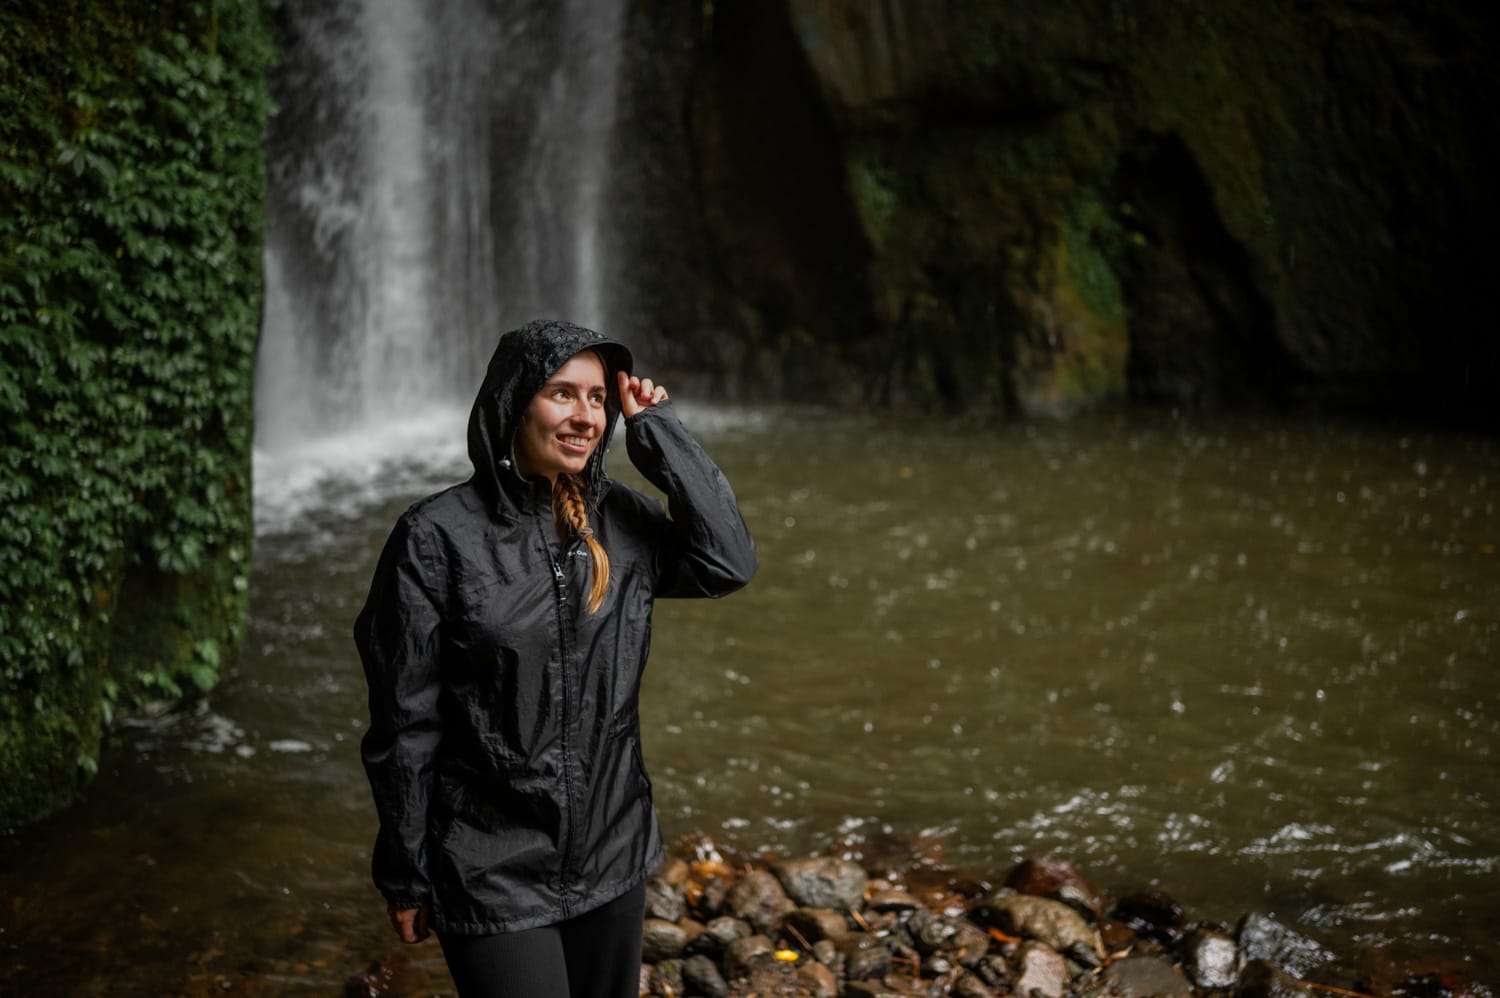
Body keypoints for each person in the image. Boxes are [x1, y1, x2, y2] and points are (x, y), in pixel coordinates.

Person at [354, 319, 757, 997]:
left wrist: (658, 432)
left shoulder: (621, 524)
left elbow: (728, 562)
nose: (585, 416)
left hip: (612, 851)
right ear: (515, 402)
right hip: (491, 868)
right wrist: (406, 871)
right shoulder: (436, 540)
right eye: (562, 394)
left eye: (598, 398)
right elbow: (404, 724)